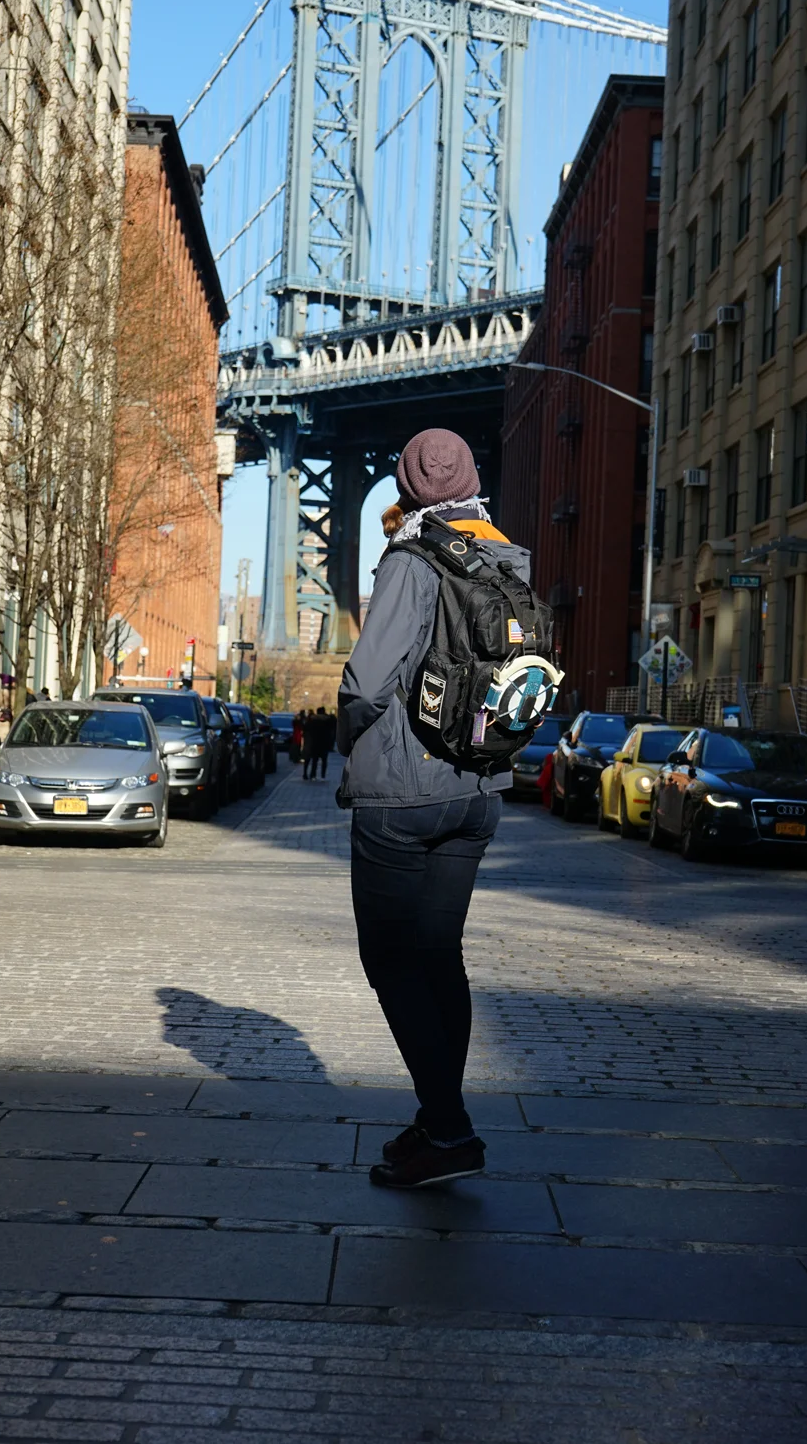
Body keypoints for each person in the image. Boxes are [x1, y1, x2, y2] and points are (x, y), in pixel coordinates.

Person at [337, 428, 531, 1190]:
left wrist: (355, 746)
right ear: (472, 480)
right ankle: (438, 1122)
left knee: (389, 961)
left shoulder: (414, 560)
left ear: (407, 487)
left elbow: (363, 685)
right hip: (478, 790)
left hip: (401, 797)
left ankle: (447, 1129)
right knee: (437, 956)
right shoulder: (505, 557)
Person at [303, 706, 331, 780]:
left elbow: (306, 729)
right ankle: (323, 775)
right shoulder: (328, 720)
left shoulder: (312, 719)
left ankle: (313, 775)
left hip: (314, 742)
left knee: (314, 760)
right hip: (324, 742)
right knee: (324, 760)